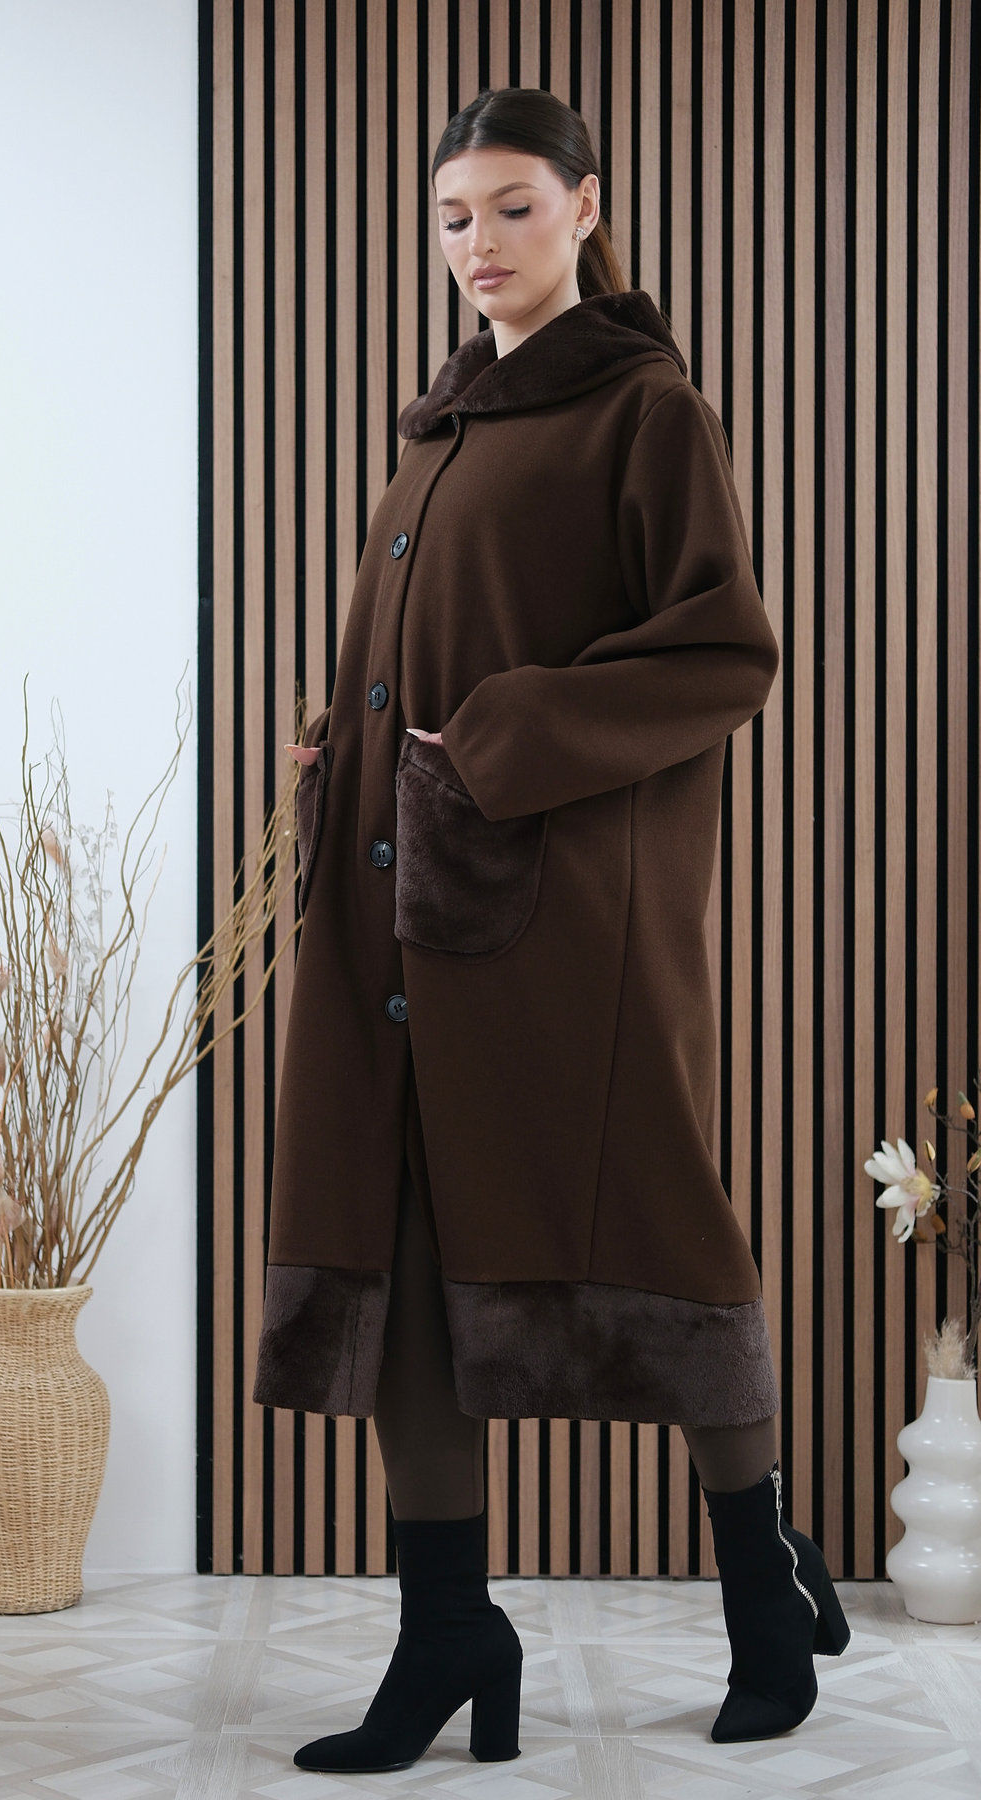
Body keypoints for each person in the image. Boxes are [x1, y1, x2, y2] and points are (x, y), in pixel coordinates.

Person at [252, 86, 849, 1776]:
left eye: (513, 207)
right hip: (394, 915)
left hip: (564, 924)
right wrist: (347, 738)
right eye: (454, 216)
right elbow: (426, 648)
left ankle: (761, 1582)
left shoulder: (646, 408)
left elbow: (722, 649)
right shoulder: (437, 430)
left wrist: (498, 739)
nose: (479, 243)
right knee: (402, 1251)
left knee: (663, 1230)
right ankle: (449, 1629)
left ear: (586, 207)